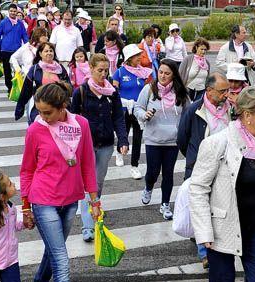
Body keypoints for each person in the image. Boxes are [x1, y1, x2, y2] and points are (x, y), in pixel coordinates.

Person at [188, 86, 255, 282]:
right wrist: (203, 231)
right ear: (248, 115)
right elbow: (197, 189)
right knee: (223, 281)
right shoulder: (217, 143)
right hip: (222, 229)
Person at [21, 81, 100, 282]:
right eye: (39, 111)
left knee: (53, 250)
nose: (42, 117)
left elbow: (88, 165)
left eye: (47, 112)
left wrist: (94, 201)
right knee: (61, 257)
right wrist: (26, 207)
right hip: (43, 199)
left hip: (71, 199)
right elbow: (27, 170)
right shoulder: (35, 130)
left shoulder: (81, 124)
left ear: (62, 106)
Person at [71, 54, 129, 242]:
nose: (104, 74)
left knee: (98, 182)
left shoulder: (112, 93)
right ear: (91, 68)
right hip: (85, 145)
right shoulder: (80, 92)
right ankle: (88, 226)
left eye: (106, 70)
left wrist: (122, 140)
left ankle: (95, 207)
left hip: (105, 144)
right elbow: (71, 120)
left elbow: (119, 117)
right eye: (100, 70)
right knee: (88, 184)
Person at [177, 73, 231, 269]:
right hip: (199, 166)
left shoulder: (231, 110)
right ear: (209, 91)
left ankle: (216, 245)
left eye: (228, 90)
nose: (227, 94)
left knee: (218, 207)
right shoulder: (194, 110)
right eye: (222, 91)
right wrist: (195, 157)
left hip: (225, 167)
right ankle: (204, 252)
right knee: (200, 206)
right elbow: (182, 138)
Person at [135, 59, 189, 220]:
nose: (163, 76)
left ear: (173, 75)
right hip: (153, 139)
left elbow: (189, 111)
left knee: (168, 173)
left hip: (172, 141)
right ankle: (148, 187)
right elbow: (138, 107)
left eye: (167, 73)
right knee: (152, 172)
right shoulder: (149, 89)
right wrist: (144, 115)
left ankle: (165, 204)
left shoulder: (181, 92)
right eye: (161, 72)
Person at [112, 44, 153, 174]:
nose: (140, 58)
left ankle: (134, 166)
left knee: (137, 138)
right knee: (123, 133)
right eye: (137, 56)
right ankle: (119, 151)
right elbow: (114, 93)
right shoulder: (119, 72)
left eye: (139, 55)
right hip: (124, 109)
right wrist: (122, 103)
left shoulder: (144, 72)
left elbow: (148, 91)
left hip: (139, 110)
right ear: (129, 58)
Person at [15, 42, 70, 124]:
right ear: (40, 53)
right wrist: (19, 109)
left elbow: (68, 88)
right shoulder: (34, 70)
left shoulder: (60, 69)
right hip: (41, 108)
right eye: (46, 51)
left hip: (58, 108)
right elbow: (26, 90)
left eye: (51, 51)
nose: (49, 53)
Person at [0, 3, 29, 93]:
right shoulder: (3, 22)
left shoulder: (20, 23)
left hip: (17, 51)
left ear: (17, 12)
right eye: (11, 11)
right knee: (7, 71)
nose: (13, 13)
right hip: (5, 50)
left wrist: (29, 47)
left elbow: (24, 36)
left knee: (17, 70)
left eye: (14, 11)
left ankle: (17, 85)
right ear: (8, 12)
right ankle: (9, 88)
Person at [179, 37, 210, 102]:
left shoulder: (207, 63)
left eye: (205, 49)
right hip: (188, 89)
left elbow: (207, 78)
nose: (203, 51)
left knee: (197, 110)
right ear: (196, 48)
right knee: (187, 109)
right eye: (201, 49)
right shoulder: (188, 59)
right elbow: (180, 74)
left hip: (201, 90)